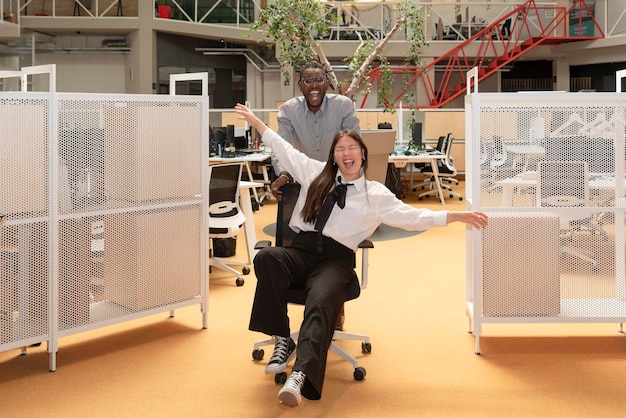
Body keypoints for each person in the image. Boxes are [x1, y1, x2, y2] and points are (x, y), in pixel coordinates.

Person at [234, 103, 488, 408]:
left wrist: (454, 217)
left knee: (320, 300)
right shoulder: (314, 172)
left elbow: (412, 216)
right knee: (267, 258)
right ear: (334, 156)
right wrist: (255, 122)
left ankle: (300, 375)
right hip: (301, 251)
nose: (346, 153)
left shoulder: (375, 194)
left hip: (335, 261)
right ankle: (281, 338)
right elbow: (282, 147)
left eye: (352, 147)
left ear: (362, 154)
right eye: (340, 148)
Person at [272, 60, 360, 331]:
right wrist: (284, 174)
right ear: (300, 85)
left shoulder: (343, 106)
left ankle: (335, 308)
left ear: (327, 82)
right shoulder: (288, 110)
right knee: (300, 249)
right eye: (307, 80)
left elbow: (352, 144)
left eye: (319, 79)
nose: (314, 86)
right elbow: (282, 147)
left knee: (336, 249)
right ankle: (286, 327)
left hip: (338, 184)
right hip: (304, 188)